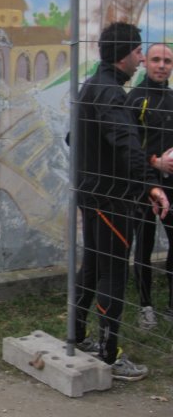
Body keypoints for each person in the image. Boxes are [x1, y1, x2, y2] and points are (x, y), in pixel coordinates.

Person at [73, 22, 169, 382]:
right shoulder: (111, 93)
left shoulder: (91, 86)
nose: (142, 59)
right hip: (111, 199)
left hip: (91, 193)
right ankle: (109, 353)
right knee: (113, 272)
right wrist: (150, 185)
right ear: (123, 54)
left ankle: (76, 335)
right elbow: (127, 143)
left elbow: (71, 137)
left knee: (93, 266)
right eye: (139, 51)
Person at [127, 43, 173, 329]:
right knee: (143, 246)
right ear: (145, 62)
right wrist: (154, 162)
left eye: (167, 61)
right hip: (143, 185)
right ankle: (146, 307)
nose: (162, 66)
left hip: (172, 186)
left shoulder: (172, 98)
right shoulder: (134, 99)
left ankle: (171, 305)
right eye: (156, 60)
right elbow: (127, 147)